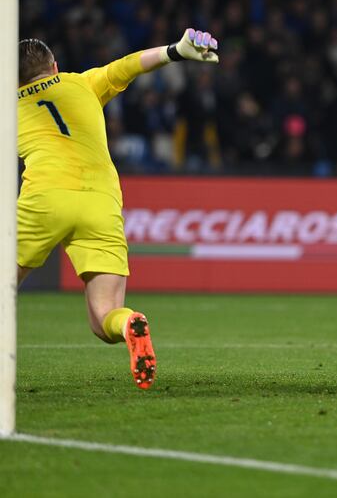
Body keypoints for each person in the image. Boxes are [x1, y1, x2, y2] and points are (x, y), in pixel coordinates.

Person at [17, 28, 220, 389]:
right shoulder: (82, 83)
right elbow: (128, 66)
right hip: (101, 201)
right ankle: (129, 324)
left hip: (44, 197)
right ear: (55, 67)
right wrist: (176, 50)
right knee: (105, 318)